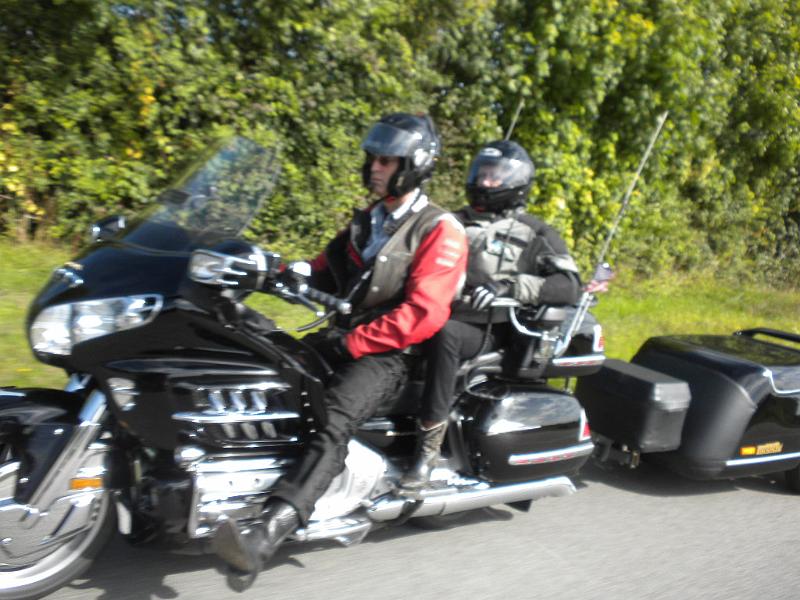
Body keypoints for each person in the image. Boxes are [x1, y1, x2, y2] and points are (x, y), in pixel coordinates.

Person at [213, 113, 467, 587]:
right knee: (268, 372)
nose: (375, 167)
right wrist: (271, 271)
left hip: (391, 354)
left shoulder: (439, 229)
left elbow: (424, 313)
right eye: (373, 158)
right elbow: (323, 271)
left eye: (386, 161)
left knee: (331, 418)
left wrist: (355, 341)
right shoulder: (370, 221)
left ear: (414, 165)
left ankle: (263, 538)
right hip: (345, 338)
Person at [400, 139, 581, 488]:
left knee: (446, 333)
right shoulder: (450, 221)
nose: (484, 181)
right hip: (432, 311)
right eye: (481, 173)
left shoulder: (534, 231)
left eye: (494, 176)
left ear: (517, 181)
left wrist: (510, 287)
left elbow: (568, 285)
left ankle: (427, 450)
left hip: (487, 328)